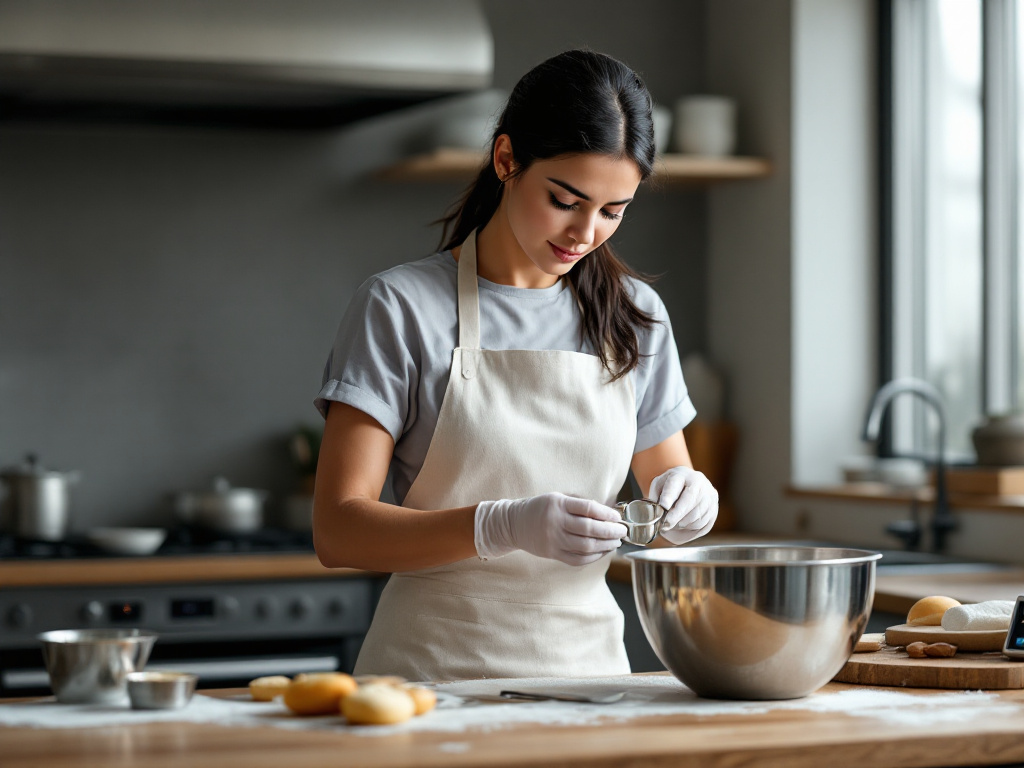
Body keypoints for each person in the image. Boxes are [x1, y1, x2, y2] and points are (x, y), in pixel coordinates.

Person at [312, 49, 718, 682]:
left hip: (588, 680)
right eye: (565, 199)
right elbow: (339, 530)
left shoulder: (636, 314)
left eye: (613, 211)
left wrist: (687, 505)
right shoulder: (400, 305)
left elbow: (663, 508)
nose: (585, 233)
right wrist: (499, 525)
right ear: (506, 160)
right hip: (430, 680)